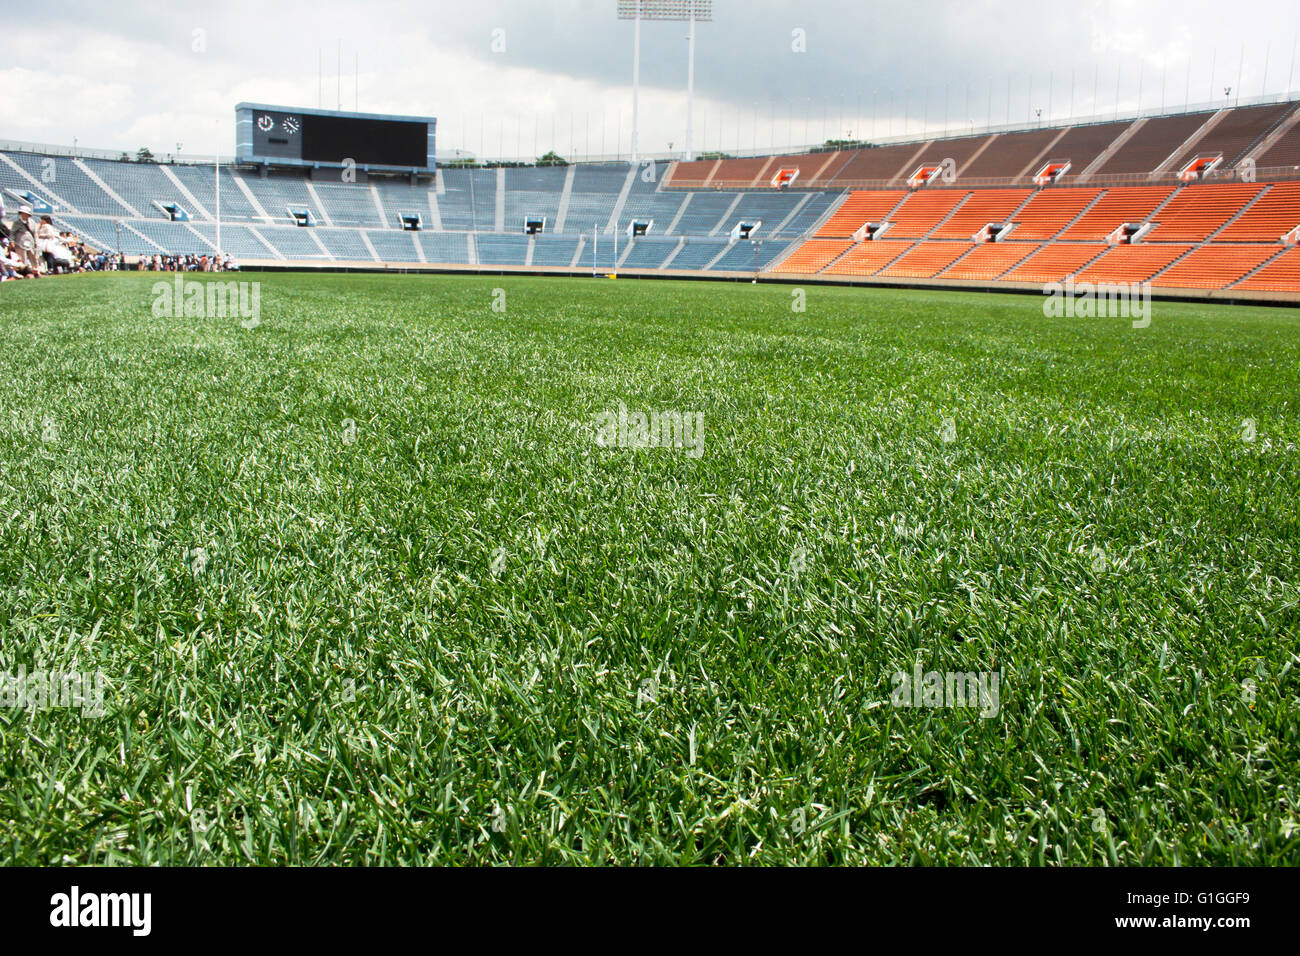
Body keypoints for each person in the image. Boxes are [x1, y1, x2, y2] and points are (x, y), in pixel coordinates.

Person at [7, 205, 41, 276]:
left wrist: (36, 242)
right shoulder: (17, 223)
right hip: (20, 243)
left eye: (25, 213)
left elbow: (35, 233)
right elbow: (12, 233)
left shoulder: (32, 222)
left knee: (34, 258)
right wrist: (12, 241)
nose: (23, 215)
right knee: (22, 259)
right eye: (22, 213)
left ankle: (36, 271)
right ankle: (25, 273)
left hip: (30, 243)